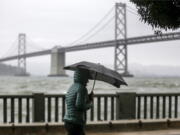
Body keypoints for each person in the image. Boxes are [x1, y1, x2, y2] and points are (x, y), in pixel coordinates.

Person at [63, 69, 93, 135]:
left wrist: (87, 97)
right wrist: (90, 104)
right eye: (87, 77)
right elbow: (79, 105)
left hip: (67, 121)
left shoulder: (72, 87)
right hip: (76, 122)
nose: (87, 81)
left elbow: (71, 101)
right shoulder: (82, 88)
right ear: (83, 77)